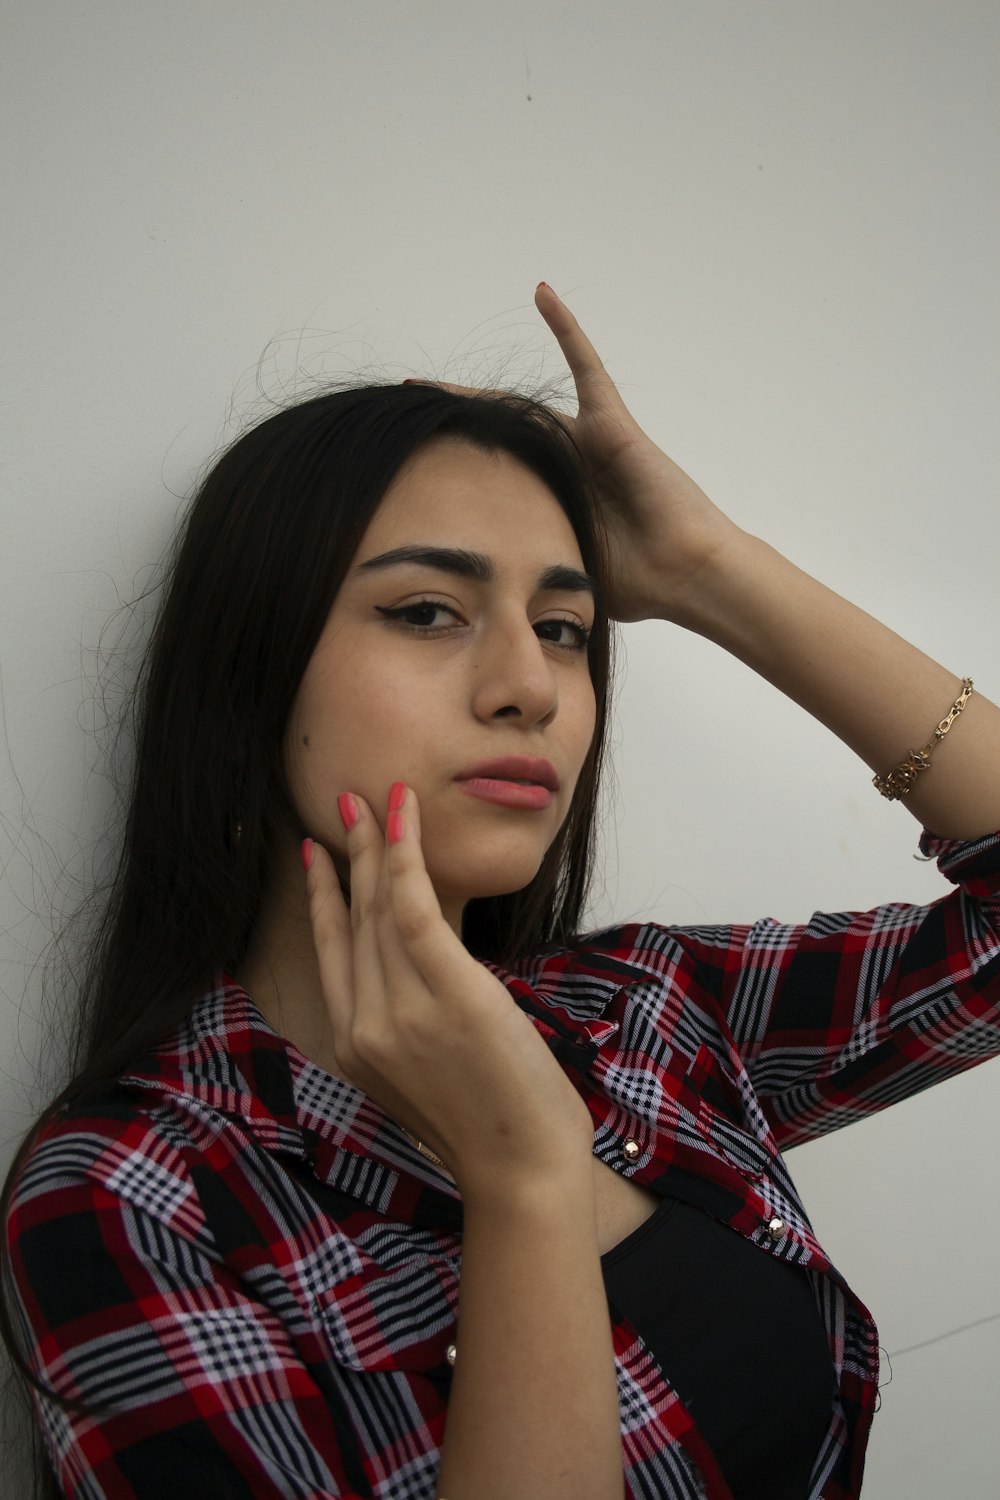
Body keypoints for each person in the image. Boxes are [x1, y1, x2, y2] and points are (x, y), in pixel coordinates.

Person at [2, 283, 998, 1500]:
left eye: (566, 626)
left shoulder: (635, 1010)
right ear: (249, 670)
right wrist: (523, 1180)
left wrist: (705, 569)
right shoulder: (133, 1201)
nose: (529, 683)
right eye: (426, 611)